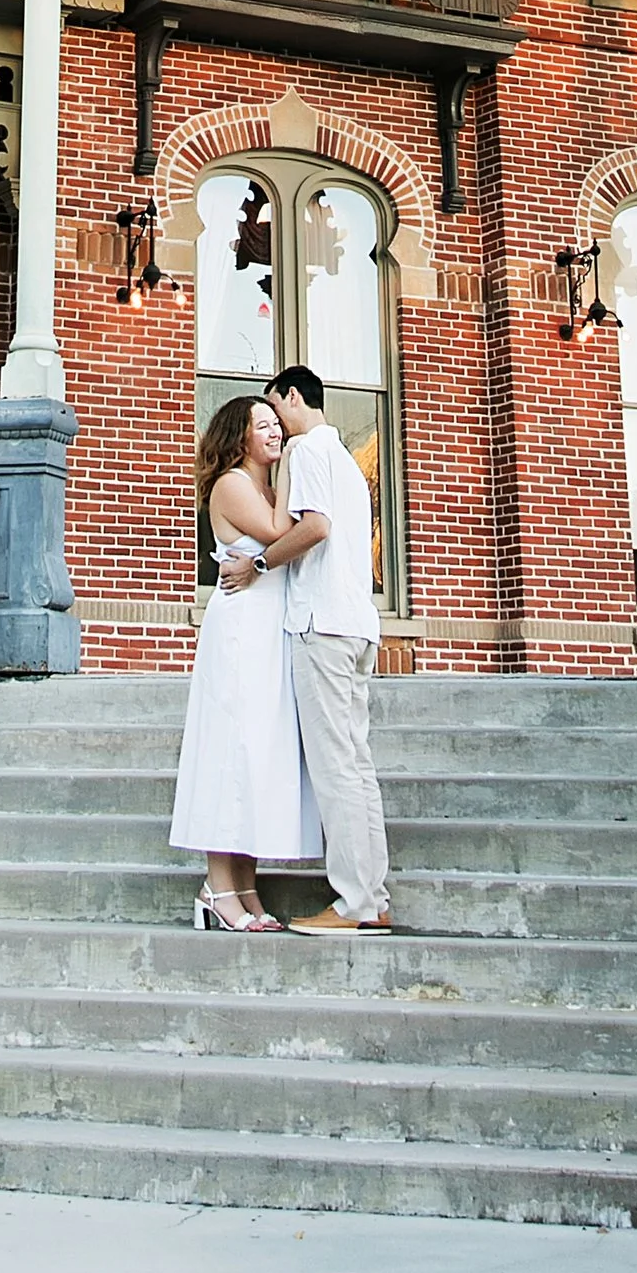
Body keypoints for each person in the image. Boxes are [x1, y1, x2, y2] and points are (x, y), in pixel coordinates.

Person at [222, 362, 391, 933]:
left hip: (322, 625)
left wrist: (258, 564)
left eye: (275, 408)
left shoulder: (309, 451)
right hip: (357, 625)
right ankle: (373, 896)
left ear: (293, 397)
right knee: (356, 765)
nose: (275, 424)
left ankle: (353, 904)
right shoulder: (344, 459)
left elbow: (315, 527)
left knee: (336, 768)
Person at [168, 392, 318, 929]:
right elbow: (280, 532)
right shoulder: (232, 484)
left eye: (278, 424)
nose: (276, 432)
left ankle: (247, 884)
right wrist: (295, 462)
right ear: (240, 437)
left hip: (267, 630)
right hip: (239, 631)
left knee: (255, 754)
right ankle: (217, 887)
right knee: (229, 752)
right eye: (264, 425)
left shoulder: (267, 488)